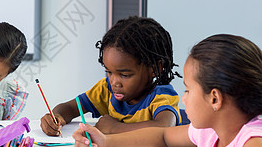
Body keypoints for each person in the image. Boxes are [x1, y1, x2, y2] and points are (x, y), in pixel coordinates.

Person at [73, 34, 262, 147]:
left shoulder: (252, 136)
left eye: (188, 90)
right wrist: (106, 144)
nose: (183, 98)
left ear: (214, 99)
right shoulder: (208, 131)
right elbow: (163, 136)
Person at [41, 16, 182, 136]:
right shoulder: (106, 90)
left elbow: (165, 128)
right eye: (109, 72)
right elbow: (71, 108)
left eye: (125, 75)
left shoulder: (161, 97)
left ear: (155, 68)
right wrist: (56, 117)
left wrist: (115, 128)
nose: (114, 82)